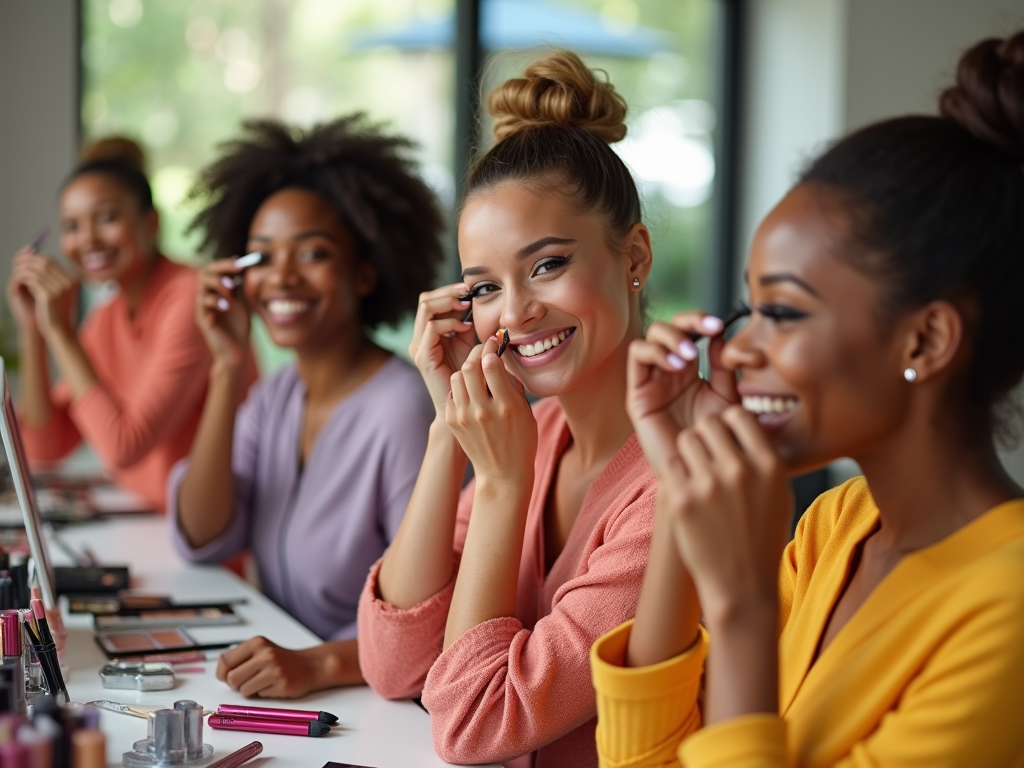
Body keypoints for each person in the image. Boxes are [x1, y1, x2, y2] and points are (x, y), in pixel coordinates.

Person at [591, 30, 1024, 767]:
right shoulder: (834, 527)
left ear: (924, 342)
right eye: (746, 309)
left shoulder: (1007, 608)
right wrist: (681, 482)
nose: (739, 350)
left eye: (783, 313)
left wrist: (743, 607)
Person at [358, 51, 661, 768]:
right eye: (485, 287)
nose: (517, 313)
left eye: (548, 265)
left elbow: (471, 725)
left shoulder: (680, 478)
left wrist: (498, 485)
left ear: (635, 258)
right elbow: (393, 662)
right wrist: (446, 430)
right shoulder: (540, 431)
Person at [170, 116, 443, 698]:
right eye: (261, 257)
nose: (282, 277)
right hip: (295, 677)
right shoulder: (274, 396)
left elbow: (431, 617)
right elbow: (203, 532)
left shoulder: (401, 408)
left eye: (313, 253)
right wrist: (224, 365)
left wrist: (316, 664)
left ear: (364, 272)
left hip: (376, 701)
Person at [5, 137, 255, 511]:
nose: (87, 239)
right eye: (71, 226)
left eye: (107, 218)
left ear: (151, 222)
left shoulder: (190, 299)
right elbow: (44, 450)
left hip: (204, 537)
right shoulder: (108, 316)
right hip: (146, 522)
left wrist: (60, 330)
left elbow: (125, 447)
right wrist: (33, 327)